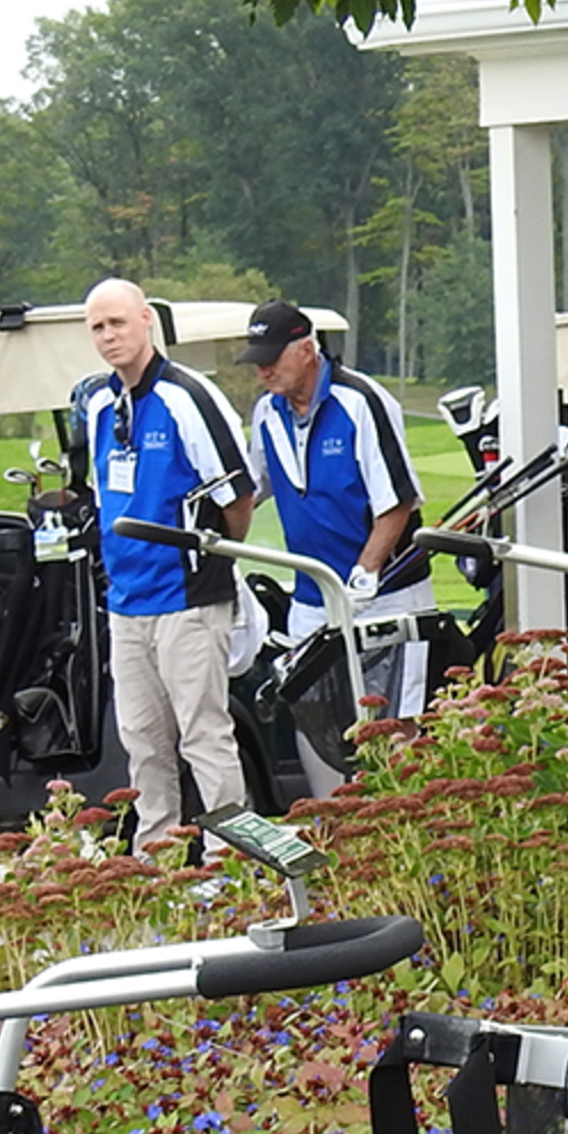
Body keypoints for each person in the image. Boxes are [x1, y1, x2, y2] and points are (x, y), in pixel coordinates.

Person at [71, 277, 256, 854]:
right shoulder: (99, 404)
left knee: (204, 734)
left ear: (146, 320)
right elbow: (105, 493)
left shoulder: (186, 395)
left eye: (118, 322)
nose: (109, 336)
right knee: (143, 741)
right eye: (98, 327)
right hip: (127, 600)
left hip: (187, 596)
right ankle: (158, 862)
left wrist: (212, 555)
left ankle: (230, 860)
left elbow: (237, 493)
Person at [237, 299, 433, 795]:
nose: (263, 370)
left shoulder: (360, 401)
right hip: (311, 597)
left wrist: (365, 572)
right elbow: (252, 487)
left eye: (272, 358)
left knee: (392, 724)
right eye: (257, 360)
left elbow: (397, 501)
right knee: (318, 721)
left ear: (307, 349)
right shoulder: (267, 413)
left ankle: (402, 825)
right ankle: (336, 821)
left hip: (384, 594)